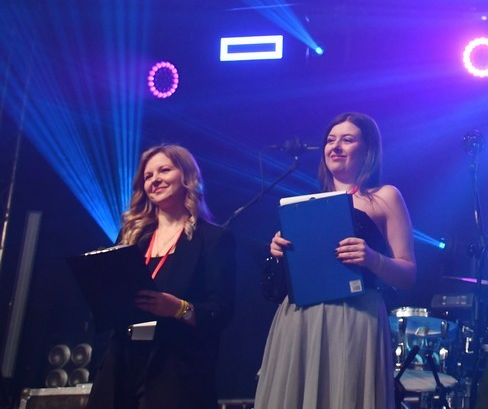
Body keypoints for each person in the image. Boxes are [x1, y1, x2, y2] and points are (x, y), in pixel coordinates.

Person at [255, 112, 417, 409]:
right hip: (300, 319)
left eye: (347, 139)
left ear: (368, 150)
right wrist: (278, 251)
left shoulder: (385, 196)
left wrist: (373, 259)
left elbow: (408, 274)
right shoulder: (305, 206)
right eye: (330, 140)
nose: (335, 146)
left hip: (354, 318)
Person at [87, 145, 236, 409]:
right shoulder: (132, 237)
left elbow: (220, 312)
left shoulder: (213, 239)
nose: (155, 180)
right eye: (148, 176)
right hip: (120, 363)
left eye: (164, 170)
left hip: (174, 371)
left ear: (186, 176)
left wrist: (177, 308)